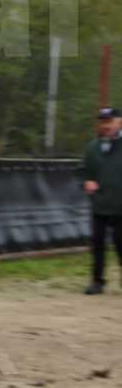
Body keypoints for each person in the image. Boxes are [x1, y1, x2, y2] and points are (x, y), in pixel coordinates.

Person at [81, 106, 122, 294]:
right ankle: (97, 282)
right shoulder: (93, 148)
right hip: (99, 205)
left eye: (108, 121)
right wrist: (86, 181)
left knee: (121, 243)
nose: (104, 126)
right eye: (102, 122)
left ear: (119, 122)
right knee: (98, 244)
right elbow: (84, 172)